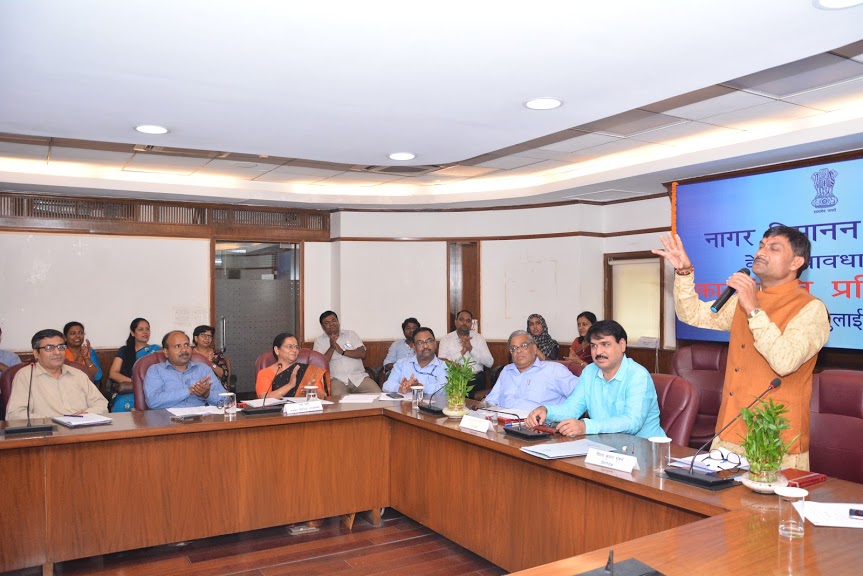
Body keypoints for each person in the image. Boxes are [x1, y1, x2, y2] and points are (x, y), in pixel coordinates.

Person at [653, 227, 829, 469]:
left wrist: (754, 309)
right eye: (761, 245)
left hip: (774, 439)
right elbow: (692, 315)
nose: (761, 252)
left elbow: (785, 361)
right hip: (729, 429)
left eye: (774, 248)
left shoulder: (811, 308)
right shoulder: (743, 301)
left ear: (796, 262)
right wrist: (684, 272)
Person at [526, 320, 664, 438]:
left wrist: (586, 426)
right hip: (604, 447)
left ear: (622, 345)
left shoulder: (638, 376)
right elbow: (572, 408)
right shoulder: (589, 372)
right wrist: (546, 411)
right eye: (594, 346)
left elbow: (632, 422)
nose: (598, 352)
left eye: (605, 344)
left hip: (644, 451)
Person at [6, 329, 108, 419]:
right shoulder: (25, 376)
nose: (57, 352)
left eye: (61, 347)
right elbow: (15, 414)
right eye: (49, 348)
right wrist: (55, 421)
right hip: (48, 431)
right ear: (36, 353)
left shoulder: (78, 374)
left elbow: (101, 403)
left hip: (83, 428)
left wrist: (85, 415)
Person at [485, 330, 578, 411]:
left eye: (524, 346)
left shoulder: (554, 370)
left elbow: (580, 395)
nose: (518, 351)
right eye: (514, 348)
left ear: (534, 348)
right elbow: (491, 400)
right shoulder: (507, 371)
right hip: (504, 420)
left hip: (540, 423)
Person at [144, 330, 227, 410]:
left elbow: (226, 399)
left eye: (186, 345)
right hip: (168, 418)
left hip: (200, 418)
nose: (184, 350)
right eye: (177, 346)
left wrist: (207, 394)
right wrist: (189, 390)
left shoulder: (203, 369)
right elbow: (153, 401)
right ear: (166, 352)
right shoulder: (156, 370)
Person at [313, 310, 381, 397]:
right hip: (336, 380)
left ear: (338, 322)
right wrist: (332, 348)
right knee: (338, 400)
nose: (331, 324)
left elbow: (362, 354)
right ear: (322, 326)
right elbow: (319, 365)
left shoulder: (350, 335)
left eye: (333, 320)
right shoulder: (319, 341)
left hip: (358, 377)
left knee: (378, 394)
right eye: (327, 323)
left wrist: (342, 351)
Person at [107, 318, 162, 412]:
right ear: (133, 333)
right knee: (122, 404)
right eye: (141, 329)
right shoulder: (124, 350)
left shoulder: (156, 350)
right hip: (129, 389)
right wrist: (136, 382)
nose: (145, 332)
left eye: (147, 329)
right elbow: (113, 373)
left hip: (151, 390)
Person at [256, 333, 330, 399]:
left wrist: (311, 391)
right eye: (290, 346)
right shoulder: (265, 373)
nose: (294, 350)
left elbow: (323, 395)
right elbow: (264, 398)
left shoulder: (308, 371)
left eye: (296, 347)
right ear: (277, 350)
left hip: (304, 409)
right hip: (277, 410)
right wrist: (290, 385)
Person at [438, 310, 493, 397]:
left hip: (476, 378)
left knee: (471, 383)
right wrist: (462, 352)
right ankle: (468, 399)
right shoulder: (446, 339)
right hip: (455, 378)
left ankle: (464, 399)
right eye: (461, 320)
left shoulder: (479, 338)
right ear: (455, 321)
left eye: (468, 321)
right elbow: (442, 363)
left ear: (471, 324)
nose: (464, 323)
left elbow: (490, 363)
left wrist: (471, 349)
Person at [382, 327, 447, 395]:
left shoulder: (445, 366)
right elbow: (387, 385)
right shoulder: (401, 364)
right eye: (420, 343)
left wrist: (420, 387)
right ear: (414, 346)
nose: (425, 346)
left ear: (435, 343)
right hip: (404, 401)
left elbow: (444, 389)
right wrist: (401, 388)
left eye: (429, 341)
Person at [191, 325, 232, 392]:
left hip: (216, 387)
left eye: (209, 336)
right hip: (195, 387)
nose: (207, 338)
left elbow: (224, 375)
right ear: (196, 338)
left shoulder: (216, 353)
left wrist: (210, 363)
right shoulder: (189, 354)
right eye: (203, 335)